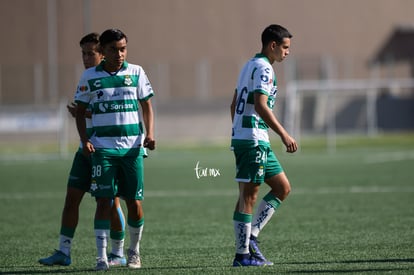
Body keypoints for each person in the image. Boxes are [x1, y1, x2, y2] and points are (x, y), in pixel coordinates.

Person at [39, 32, 127, 267]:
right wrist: (81, 113)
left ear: (102, 53)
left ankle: (118, 252)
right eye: (83, 54)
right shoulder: (87, 77)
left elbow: (115, 110)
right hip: (84, 150)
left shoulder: (113, 77)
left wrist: (84, 113)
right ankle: (64, 251)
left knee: (111, 203)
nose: (86, 58)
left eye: (91, 53)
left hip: (106, 151)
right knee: (71, 198)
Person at [74, 28, 155, 271]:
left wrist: (149, 133)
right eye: (113, 49)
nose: (120, 54)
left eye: (123, 49)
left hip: (132, 149)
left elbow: (147, 106)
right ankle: (101, 257)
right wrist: (84, 138)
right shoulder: (89, 76)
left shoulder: (136, 72)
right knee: (104, 201)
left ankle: (134, 252)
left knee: (135, 203)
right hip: (103, 149)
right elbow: (79, 111)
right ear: (103, 51)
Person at [230, 24, 298, 267]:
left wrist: (237, 130)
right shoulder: (264, 68)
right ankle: (242, 256)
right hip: (253, 140)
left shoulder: (249, 65)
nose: (287, 52)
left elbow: (234, 103)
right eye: (285, 47)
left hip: (252, 138)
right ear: (273, 45)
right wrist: (284, 134)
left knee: (282, 187)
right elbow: (260, 105)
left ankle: (252, 238)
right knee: (248, 196)